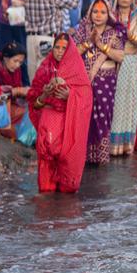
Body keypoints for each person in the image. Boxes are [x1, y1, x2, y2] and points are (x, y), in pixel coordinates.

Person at [27, 32, 93, 193]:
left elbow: (86, 99)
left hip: (68, 122)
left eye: (64, 48)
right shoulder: (44, 69)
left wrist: (70, 96)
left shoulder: (77, 72)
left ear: (70, 51)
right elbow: (34, 104)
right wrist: (45, 95)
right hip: (48, 123)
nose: (59, 51)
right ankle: (47, 194)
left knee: (67, 165)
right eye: (57, 47)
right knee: (46, 159)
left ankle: (63, 203)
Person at [72, 0, 126, 165]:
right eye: (95, 11)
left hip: (105, 82)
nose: (98, 15)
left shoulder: (114, 33)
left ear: (108, 14)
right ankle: (83, 157)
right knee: (84, 117)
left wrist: (101, 46)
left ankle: (101, 157)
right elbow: (73, 52)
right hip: (84, 81)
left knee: (102, 117)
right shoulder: (83, 30)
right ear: (90, 12)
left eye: (102, 12)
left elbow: (120, 57)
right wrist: (89, 42)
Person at [24, 0, 82, 80]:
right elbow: (73, 4)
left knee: (32, 78)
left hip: (30, 38)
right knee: (45, 78)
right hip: (46, 38)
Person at [108, 0, 137, 156]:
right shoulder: (109, 16)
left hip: (131, 63)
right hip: (110, 63)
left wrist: (131, 36)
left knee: (128, 103)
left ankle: (124, 146)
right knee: (113, 103)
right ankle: (109, 145)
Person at [0, 41, 31, 139]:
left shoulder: (16, 71)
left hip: (8, 106)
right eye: (15, 61)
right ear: (5, 58)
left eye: (20, 62)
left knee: (29, 114)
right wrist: (14, 92)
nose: (18, 65)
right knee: (16, 131)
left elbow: (17, 89)